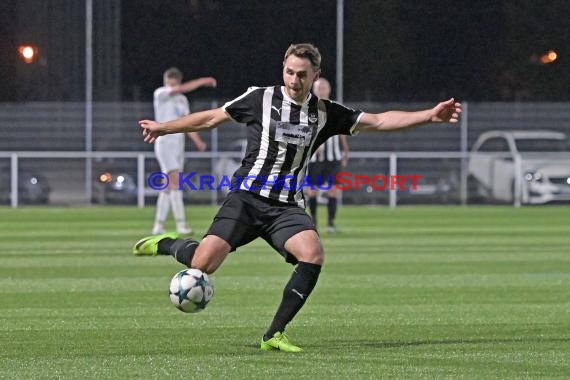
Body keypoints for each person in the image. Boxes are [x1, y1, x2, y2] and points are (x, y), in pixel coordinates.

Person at [134, 43, 461, 352]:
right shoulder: (259, 99)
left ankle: (274, 334)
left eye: (302, 74)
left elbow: (379, 120)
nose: (294, 80)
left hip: (286, 207)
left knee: (313, 253)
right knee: (201, 265)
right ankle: (167, 243)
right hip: (246, 199)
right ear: (283, 70)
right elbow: (211, 118)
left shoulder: (325, 113)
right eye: (289, 72)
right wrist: (164, 127)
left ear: (316, 75)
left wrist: (429, 115)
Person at [152, 67, 216, 235]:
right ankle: (181, 224)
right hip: (164, 144)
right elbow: (180, 90)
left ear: (178, 82)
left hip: (178, 146)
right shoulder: (160, 94)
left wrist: (197, 141)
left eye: (173, 84)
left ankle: (158, 225)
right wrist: (203, 81)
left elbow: (188, 123)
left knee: (167, 186)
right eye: (168, 84)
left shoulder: (182, 101)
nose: (171, 88)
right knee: (176, 183)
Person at [306, 77, 349, 233]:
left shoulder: (336, 108)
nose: (321, 89)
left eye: (324, 87)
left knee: (333, 189)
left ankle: (331, 224)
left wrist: (345, 149)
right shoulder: (307, 108)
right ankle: (314, 223)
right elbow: (303, 130)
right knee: (312, 190)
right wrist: (312, 145)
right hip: (314, 159)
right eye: (319, 87)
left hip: (334, 157)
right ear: (313, 89)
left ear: (329, 90)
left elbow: (341, 130)